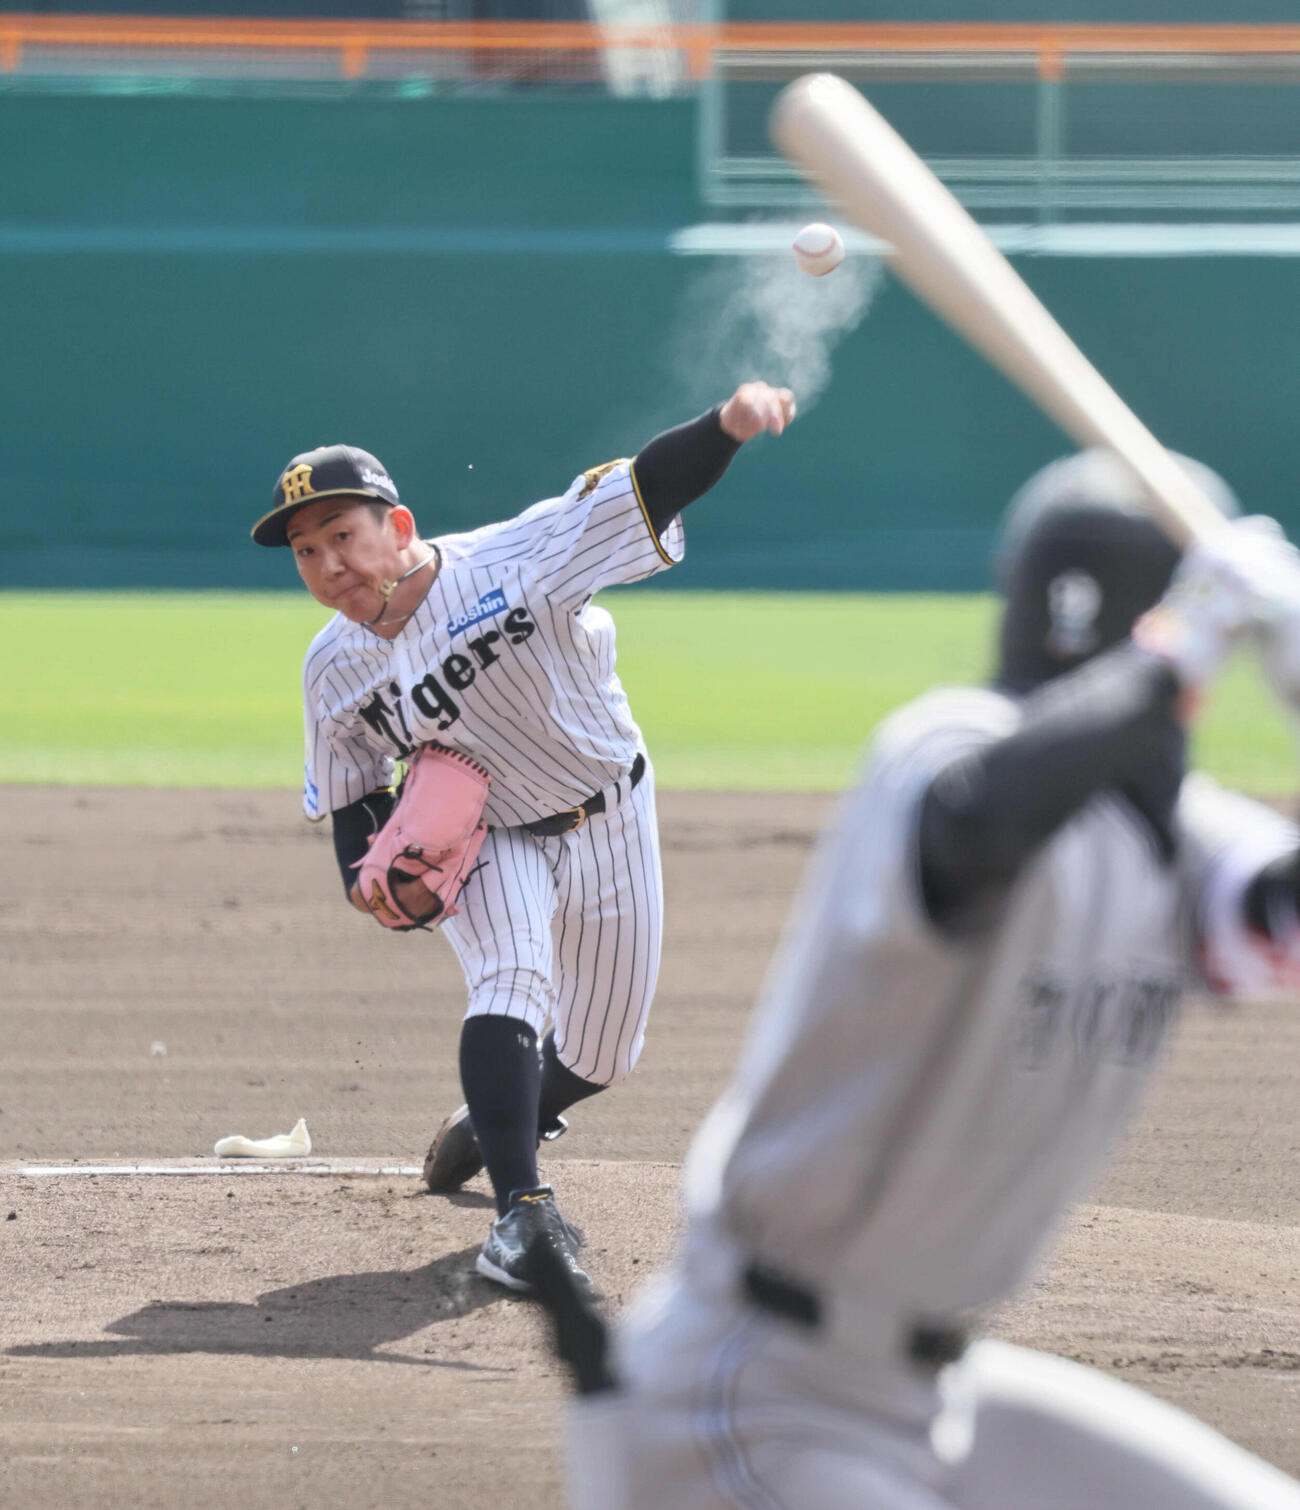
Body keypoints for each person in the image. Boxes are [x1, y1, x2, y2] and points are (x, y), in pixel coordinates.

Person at [554, 450, 1300, 1509]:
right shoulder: (942, 752)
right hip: (745, 1388)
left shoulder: (1176, 837)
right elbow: (985, 825)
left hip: (926, 1394)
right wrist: (1183, 650)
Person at [250, 380, 796, 1295]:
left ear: (398, 525)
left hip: (611, 807)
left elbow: (645, 491)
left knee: (600, 1053)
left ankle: (499, 1116)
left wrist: (728, 427)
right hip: (497, 838)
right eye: (306, 552)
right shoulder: (333, 669)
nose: (327, 565)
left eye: (342, 536)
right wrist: (366, 879)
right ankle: (522, 1217)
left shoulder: (511, 561)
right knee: (509, 978)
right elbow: (352, 800)